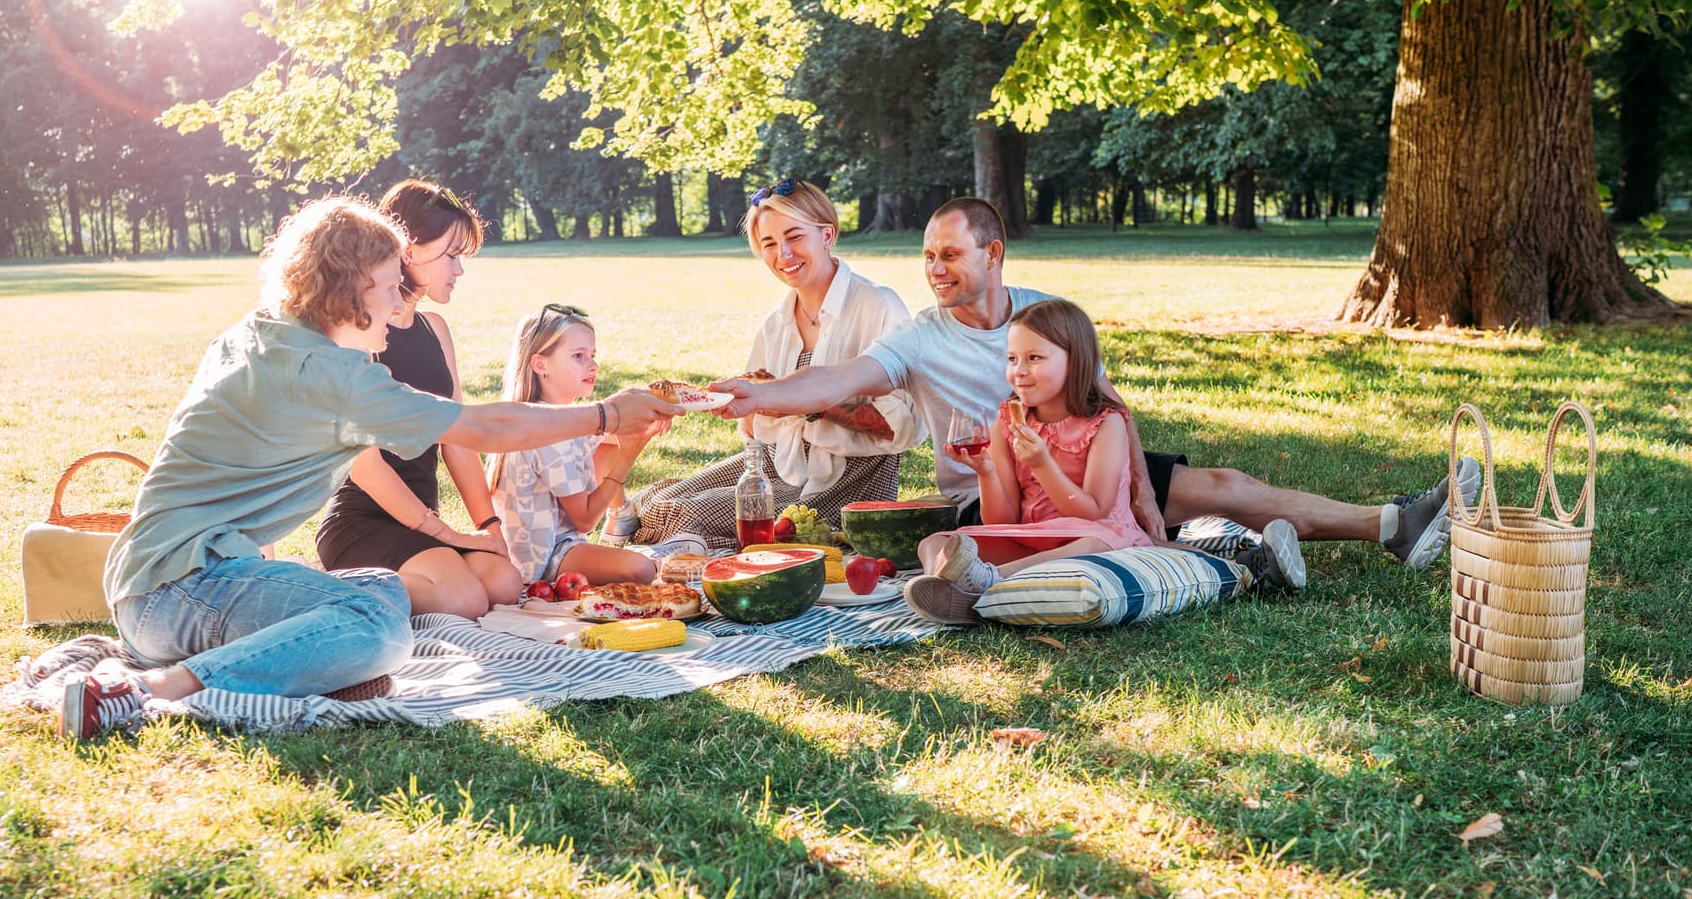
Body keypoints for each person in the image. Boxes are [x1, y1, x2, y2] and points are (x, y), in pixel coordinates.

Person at [61, 196, 679, 741]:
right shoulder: (331, 376)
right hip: (179, 591)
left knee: (380, 588)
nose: (396, 300)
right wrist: (605, 415)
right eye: (388, 285)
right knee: (379, 629)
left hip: (153, 584)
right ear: (350, 287)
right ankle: (152, 691)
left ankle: (305, 670)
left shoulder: (257, 335)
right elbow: (485, 427)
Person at [714, 197, 1478, 570]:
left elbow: (1109, 410)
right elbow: (838, 380)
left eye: (951, 255)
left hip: (1082, 463)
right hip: (994, 495)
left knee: (1218, 480)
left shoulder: (1048, 321)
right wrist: (757, 395)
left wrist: (1144, 495)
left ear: (994, 253)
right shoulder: (918, 334)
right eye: (928, 258)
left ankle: (1387, 526)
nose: (937, 270)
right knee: (1128, 526)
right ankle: (1247, 556)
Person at [903, 297, 1302, 623]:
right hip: (1038, 538)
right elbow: (1001, 522)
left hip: (1100, 535)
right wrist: (987, 472)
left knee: (1093, 543)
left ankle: (986, 583)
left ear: (1075, 361)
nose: (1018, 372)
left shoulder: (1105, 423)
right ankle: (951, 587)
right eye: (1011, 360)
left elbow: (1094, 511)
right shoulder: (1007, 421)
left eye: (1034, 359)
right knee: (937, 541)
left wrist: (1043, 464)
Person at [632, 179, 923, 550]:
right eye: (769, 244)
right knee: (652, 501)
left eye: (794, 237)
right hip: (775, 465)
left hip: (844, 481)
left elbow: (901, 429)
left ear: (827, 234)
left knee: (680, 515)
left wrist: (797, 398)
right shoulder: (776, 323)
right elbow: (756, 428)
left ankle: (694, 545)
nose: (783, 254)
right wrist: (740, 402)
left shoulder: (877, 305)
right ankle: (681, 543)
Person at [315, 180, 523, 620]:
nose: (459, 269)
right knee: (465, 599)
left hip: (423, 519)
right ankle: (325, 593)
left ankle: (422, 574)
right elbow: (365, 465)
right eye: (451, 254)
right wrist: (444, 531)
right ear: (408, 251)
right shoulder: (359, 334)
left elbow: (458, 440)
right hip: (363, 522)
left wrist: (488, 527)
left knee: (504, 583)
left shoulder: (434, 329)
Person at [489, 304, 667, 586]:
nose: (593, 365)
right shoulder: (549, 433)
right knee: (642, 569)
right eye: (578, 356)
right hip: (542, 562)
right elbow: (584, 521)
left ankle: (619, 521)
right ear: (540, 365)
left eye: (592, 355)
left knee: (608, 440)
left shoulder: (552, 416)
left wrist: (643, 414)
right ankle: (618, 523)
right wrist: (629, 455)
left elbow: (610, 428)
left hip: (560, 544)